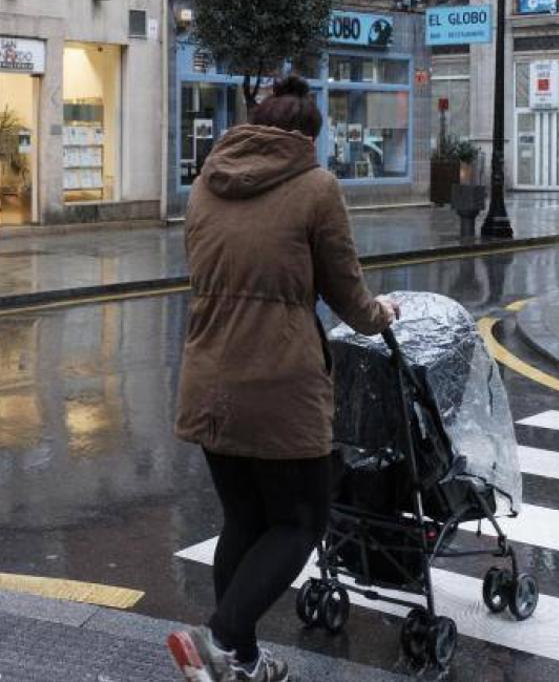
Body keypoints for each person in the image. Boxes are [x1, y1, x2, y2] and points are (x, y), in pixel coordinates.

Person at [166, 76, 398, 682]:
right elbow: (346, 290)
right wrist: (382, 316)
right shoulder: (316, 187)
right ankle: (220, 638)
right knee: (298, 522)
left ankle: (237, 662)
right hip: (280, 383)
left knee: (243, 520)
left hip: (209, 377)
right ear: (306, 137)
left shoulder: (206, 184)